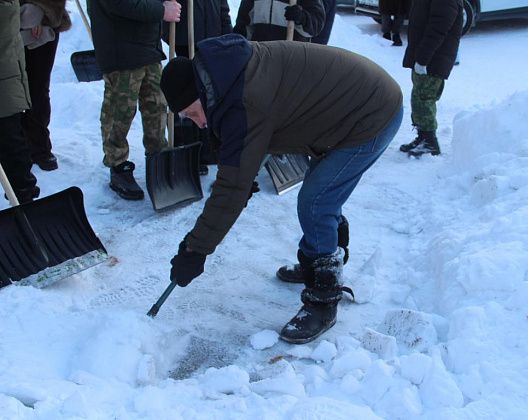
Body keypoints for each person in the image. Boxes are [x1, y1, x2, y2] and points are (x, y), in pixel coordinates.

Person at [160, 34, 402, 344]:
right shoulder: (228, 75)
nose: (198, 123)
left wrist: (195, 250)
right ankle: (318, 260)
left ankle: (324, 296)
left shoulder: (243, 100)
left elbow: (231, 188)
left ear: (201, 93)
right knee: (320, 196)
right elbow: (253, 142)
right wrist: (243, 174)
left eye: (193, 113)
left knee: (316, 201)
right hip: (345, 109)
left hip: (371, 113)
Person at [88, 0, 181, 200]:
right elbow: (121, 4)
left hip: (149, 46)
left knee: (157, 104)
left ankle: (157, 156)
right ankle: (118, 164)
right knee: (120, 110)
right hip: (120, 48)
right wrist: (162, 10)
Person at [162, 0, 233, 176]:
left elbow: (223, 9)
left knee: (209, 97)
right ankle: (189, 148)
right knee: (188, 98)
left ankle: (208, 148)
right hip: (185, 38)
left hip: (213, 41)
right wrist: (169, 29)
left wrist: (227, 37)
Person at [399, 0, 462, 157]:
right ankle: (423, 137)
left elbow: (439, 28)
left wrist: (423, 59)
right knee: (419, 97)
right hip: (427, 55)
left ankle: (430, 143)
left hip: (434, 57)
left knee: (424, 99)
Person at [19, 0, 71, 171]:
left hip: (43, 21)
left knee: (37, 88)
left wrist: (39, 14)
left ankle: (39, 146)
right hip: (9, 21)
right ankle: (16, 143)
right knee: (12, 89)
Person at [0, 0, 39, 204]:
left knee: (13, 143)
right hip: (6, 77)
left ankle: (23, 198)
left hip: (8, 75)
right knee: (12, 143)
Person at [234, 0, 325, 42]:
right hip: (260, 57)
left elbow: (317, 23)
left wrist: (302, 18)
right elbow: (243, 25)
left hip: (292, 58)